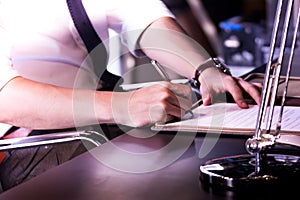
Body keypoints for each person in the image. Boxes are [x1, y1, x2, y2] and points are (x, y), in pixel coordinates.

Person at [0, 0, 261, 192]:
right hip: (35, 143)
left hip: (101, 123)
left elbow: (144, 18)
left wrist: (204, 70)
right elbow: (6, 100)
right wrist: (125, 106)